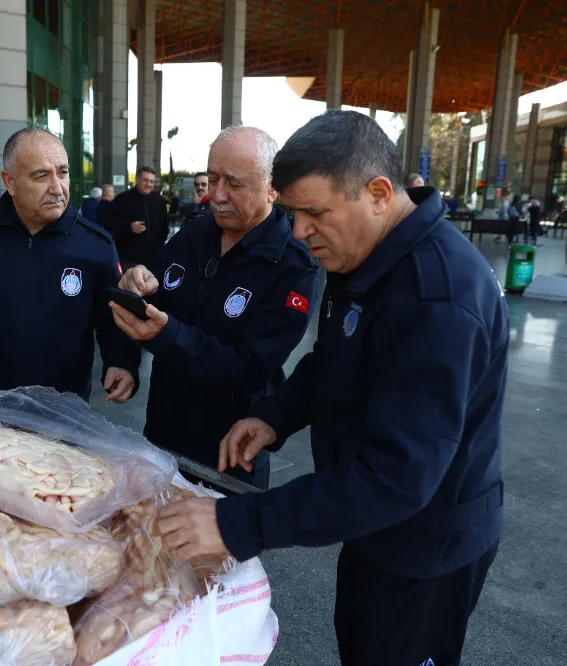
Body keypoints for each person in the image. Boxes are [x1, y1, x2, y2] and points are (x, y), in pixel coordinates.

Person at [157, 111, 507, 666]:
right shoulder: (368, 254)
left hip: (424, 544)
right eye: (294, 213)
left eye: (314, 213)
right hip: (372, 522)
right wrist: (276, 415)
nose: (299, 232)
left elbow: (400, 474)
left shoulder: (436, 299)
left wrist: (237, 523)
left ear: (377, 192)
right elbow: (333, 358)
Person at [109, 126, 318, 489]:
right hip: (161, 434)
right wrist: (139, 285)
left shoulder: (292, 265)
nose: (218, 195)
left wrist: (168, 335)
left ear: (273, 187)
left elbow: (250, 366)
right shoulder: (194, 233)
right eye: (213, 178)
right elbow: (153, 295)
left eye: (234, 184)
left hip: (229, 453)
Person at [0, 127, 140, 403]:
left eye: (63, 172)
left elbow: (114, 320)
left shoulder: (96, 245)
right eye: (41, 175)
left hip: (61, 411)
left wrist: (122, 362)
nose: (57, 188)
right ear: (10, 182)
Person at [106, 166, 168, 268]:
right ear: (137, 179)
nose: (149, 184)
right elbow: (109, 223)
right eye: (145, 180)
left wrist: (159, 248)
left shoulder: (159, 201)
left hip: (154, 259)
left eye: (151, 181)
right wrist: (129, 227)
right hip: (129, 259)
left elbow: (164, 228)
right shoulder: (122, 199)